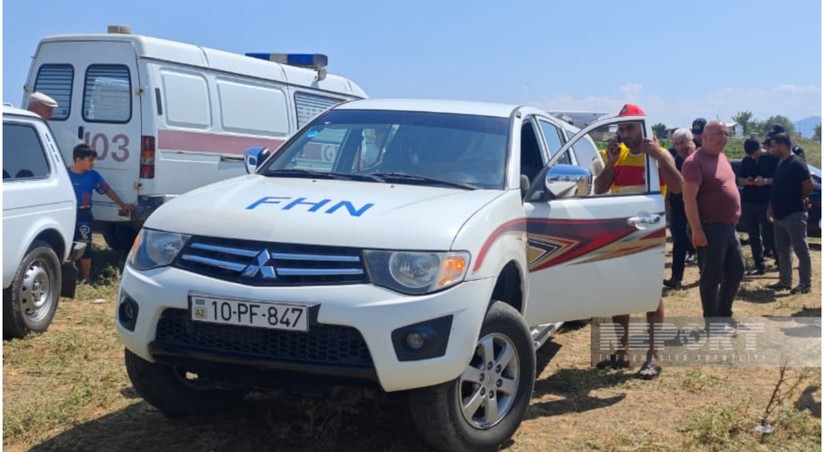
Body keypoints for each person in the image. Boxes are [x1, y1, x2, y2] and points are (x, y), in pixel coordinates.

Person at [593, 104, 683, 380]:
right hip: (621, 227)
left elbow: (678, 186)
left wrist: (661, 156)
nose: (624, 133)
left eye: (629, 127)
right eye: (621, 127)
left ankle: (653, 356)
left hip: (648, 228)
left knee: (651, 293)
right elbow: (600, 188)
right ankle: (621, 352)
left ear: (642, 128)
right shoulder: (617, 154)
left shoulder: (658, 154)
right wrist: (609, 163)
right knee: (620, 291)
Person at [681, 120, 744, 335]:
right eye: (718, 133)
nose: (723, 137)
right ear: (704, 137)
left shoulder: (722, 158)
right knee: (711, 277)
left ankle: (724, 314)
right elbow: (688, 198)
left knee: (736, 271)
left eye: (726, 133)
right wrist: (697, 230)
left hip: (728, 227)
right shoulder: (694, 162)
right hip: (709, 227)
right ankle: (713, 323)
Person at [69, 144, 133, 284]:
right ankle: (65, 275)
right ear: (78, 160)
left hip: (84, 215)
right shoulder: (64, 174)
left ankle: (86, 278)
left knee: (85, 245)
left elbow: (107, 190)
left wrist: (122, 204)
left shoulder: (93, 175)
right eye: (90, 160)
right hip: (66, 215)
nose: (94, 163)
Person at [766, 133, 813, 294]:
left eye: (774, 145)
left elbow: (808, 185)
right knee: (783, 251)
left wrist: (800, 198)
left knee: (801, 250)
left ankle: (804, 284)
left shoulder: (797, 163)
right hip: (779, 215)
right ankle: (785, 281)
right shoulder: (781, 163)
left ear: (784, 145)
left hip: (794, 214)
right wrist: (771, 207)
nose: (771, 149)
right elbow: (776, 188)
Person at [738, 137, 779, 275]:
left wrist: (765, 181)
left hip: (765, 201)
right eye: (750, 155)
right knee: (753, 235)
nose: (752, 156)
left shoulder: (772, 159)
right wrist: (747, 181)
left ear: (759, 148)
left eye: (755, 153)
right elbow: (740, 178)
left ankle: (780, 262)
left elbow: (779, 179)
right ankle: (759, 265)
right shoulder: (746, 160)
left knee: (770, 233)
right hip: (749, 201)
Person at [664, 128, 697, 289]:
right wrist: (666, 199)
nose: (679, 147)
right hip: (678, 205)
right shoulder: (675, 160)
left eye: (682, 143)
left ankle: (707, 275)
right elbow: (670, 182)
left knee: (701, 241)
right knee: (679, 242)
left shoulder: (699, 159)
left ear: (690, 142)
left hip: (698, 205)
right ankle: (676, 278)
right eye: (676, 144)